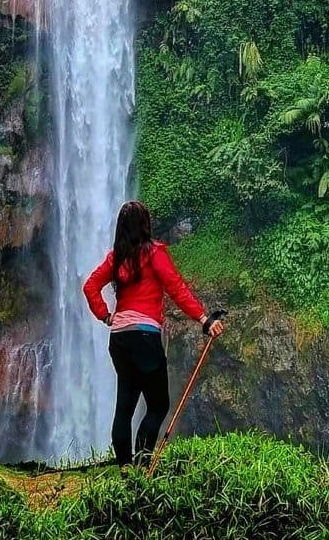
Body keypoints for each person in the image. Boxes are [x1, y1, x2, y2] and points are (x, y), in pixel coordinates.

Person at [83, 199, 225, 467]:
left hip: (120, 337)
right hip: (145, 337)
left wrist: (106, 316)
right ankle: (143, 463)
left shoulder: (115, 258)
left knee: (125, 407)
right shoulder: (154, 253)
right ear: (145, 224)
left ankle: (125, 467)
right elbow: (176, 287)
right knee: (158, 405)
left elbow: (90, 287)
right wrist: (204, 319)